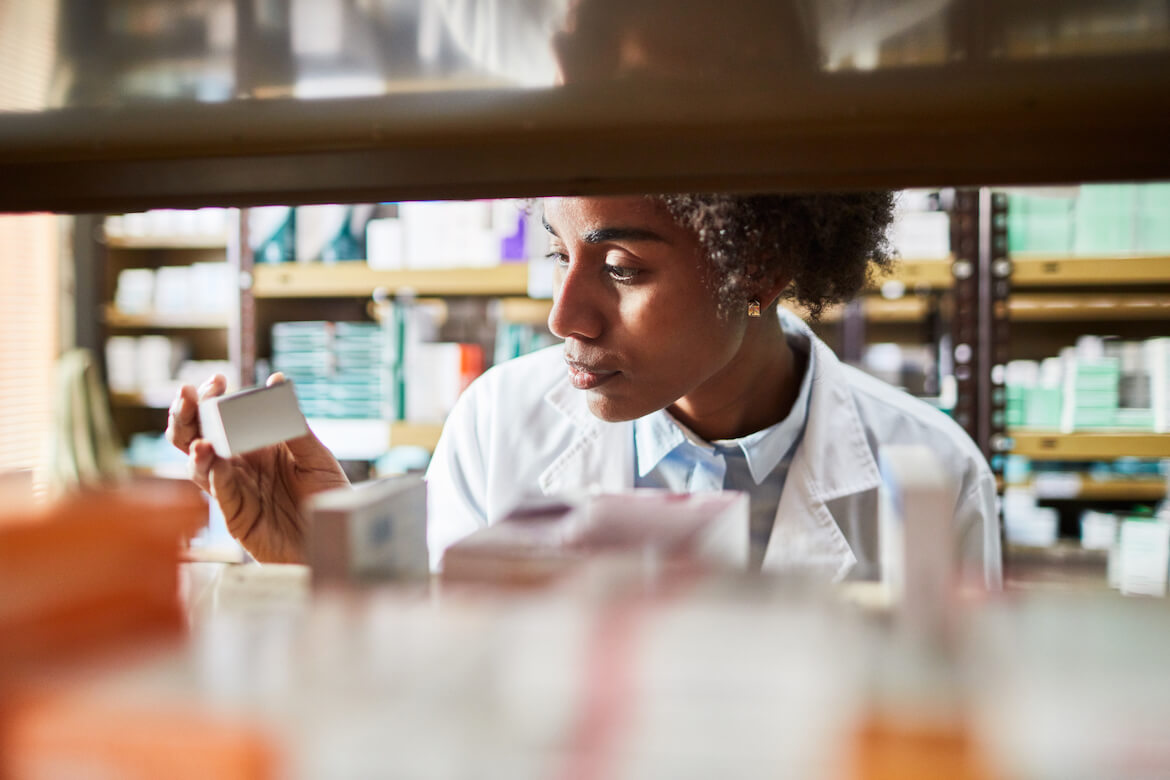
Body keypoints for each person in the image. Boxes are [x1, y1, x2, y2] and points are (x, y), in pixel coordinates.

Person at [167, 193, 1001, 588]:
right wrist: (325, 564)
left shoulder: (933, 472)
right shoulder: (500, 425)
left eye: (623, 269)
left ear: (763, 267)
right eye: (560, 255)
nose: (567, 316)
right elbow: (448, 719)